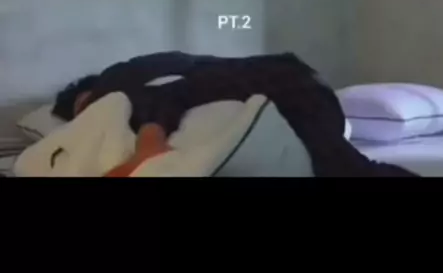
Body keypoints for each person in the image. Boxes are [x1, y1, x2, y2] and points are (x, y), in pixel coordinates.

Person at [52, 51, 418, 177]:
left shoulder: (115, 83)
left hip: (282, 88)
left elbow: (164, 98)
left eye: (83, 112)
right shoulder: (157, 68)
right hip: (297, 83)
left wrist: (148, 144)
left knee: (345, 170)